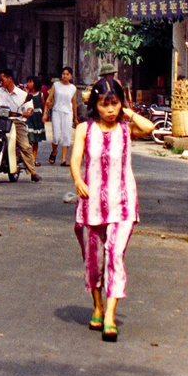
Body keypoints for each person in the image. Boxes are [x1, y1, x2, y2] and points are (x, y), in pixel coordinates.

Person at [71, 76, 154, 342]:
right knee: (93, 259)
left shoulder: (127, 129)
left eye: (114, 103)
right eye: (105, 104)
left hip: (123, 202)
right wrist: (78, 180)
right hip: (92, 202)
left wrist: (128, 111)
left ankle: (110, 316)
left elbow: (149, 126)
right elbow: (75, 161)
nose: (110, 110)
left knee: (115, 253)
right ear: (95, 104)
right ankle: (97, 306)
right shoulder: (85, 129)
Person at [0, 70, 40, 181]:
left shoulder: (22, 94)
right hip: (1, 121)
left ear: (10, 79)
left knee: (25, 146)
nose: (0, 82)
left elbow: (29, 106)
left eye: (2, 79)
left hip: (17, 121)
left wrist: (28, 112)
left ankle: (33, 172)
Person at [47, 67, 78, 166]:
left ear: (71, 76)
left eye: (67, 74)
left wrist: (75, 118)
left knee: (67, 136)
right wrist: (45, 113)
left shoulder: (73, 88)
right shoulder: (56, 85)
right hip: (57, 111)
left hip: (68, 113)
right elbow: (49, 99)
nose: (65, 76)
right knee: (56, 136)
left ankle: (64, 159)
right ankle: (54, 151)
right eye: (63, 74)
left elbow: (74, 103)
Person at [25, 78, 47, 161]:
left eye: (30, 82)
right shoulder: (26, 94)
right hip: (29, 117)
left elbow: (44, 106)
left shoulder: (40, 95)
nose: (28, 83)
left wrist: (45, 115)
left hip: (37, 117)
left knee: (35, 139)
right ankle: (28, 158)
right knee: (29, 137)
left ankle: (34, 158)